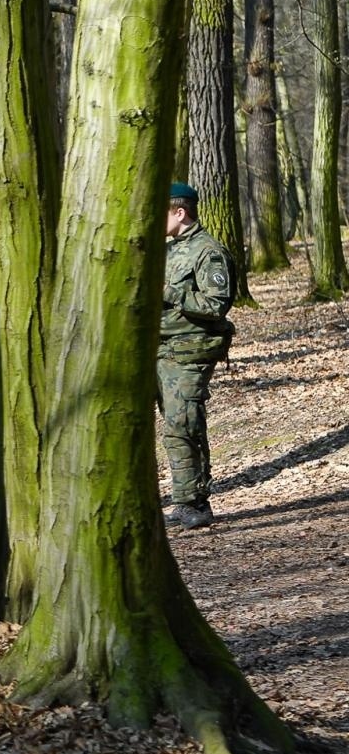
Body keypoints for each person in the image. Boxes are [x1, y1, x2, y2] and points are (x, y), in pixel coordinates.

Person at [159, 182, 236, 530]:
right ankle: (186, 496)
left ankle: (192, 503)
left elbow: (216, 304)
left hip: (189, 351)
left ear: (180, 212)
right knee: (177, 424)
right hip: (159, 349)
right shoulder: (167, 250)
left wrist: (171, 293)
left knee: (182, 424)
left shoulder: (208, 252)